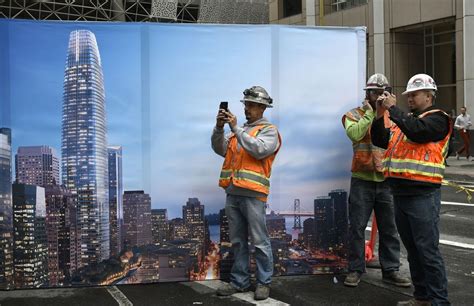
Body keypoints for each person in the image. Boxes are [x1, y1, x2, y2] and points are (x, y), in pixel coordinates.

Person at [371, 73, 451, 306]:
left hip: (423, 194)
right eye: (408, 95)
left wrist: (394, 110)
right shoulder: (404, 121)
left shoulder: (438, 118)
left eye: (414, 95)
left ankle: (439, 301)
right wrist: (380, 114)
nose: (410, 99)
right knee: (414, 250)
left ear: (429, 95)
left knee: (427, 251)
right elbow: (379, 140)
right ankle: (422, 297)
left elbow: (418, 131)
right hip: (400, 193)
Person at [211, 86, 281, 301]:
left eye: (251, 105)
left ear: (262, 108)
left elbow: (259, 150)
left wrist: (235, 129)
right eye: (246, 104)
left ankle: (263, 282)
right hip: (233, 192)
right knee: (238, 241)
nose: (247, 108)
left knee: (260, 241)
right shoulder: (237, 132)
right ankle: (239, 282)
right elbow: (219, 149)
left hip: (253, 194)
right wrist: (219, 127)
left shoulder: (268, 131)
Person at [342, 73, 410, 288]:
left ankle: (390, 270)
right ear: (367, 94)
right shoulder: (353, 115)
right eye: (374, 92)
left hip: (386, 181)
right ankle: (355, 269)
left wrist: (387, 111)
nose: (379, 96)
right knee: (357, 227)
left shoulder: (393, 117)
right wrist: (371, 113)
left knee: (390, 228)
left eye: (383, 92)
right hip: (362, 179)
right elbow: (355, 134)